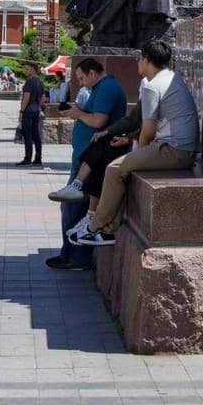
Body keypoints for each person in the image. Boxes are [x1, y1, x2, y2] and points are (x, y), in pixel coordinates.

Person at [68, 38, 198, 246]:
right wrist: (129, 142)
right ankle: (106, 228)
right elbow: (141, 124)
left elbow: (148, 130)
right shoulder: (171, 78)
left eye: (139, 59)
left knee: (114, 169)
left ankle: (94, 228)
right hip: (182, 149)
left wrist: (136, 153)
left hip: (173, 150)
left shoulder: (152, 86)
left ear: (146, 60)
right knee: (123, 167)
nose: (137, 62)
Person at [45, 58, 128, 271]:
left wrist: (77, 113)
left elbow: (99, 121)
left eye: (82, 78)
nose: (81, 83)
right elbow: (93, 116)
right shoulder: (102, 87)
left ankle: (74, 257)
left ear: (92, 73)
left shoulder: (107, 87)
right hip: (86, 157)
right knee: (73, 206)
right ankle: (72, 254)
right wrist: (80, 110)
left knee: (73, 206)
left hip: (90, 159)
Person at [17, 62, 47, 166]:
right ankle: (38, 158)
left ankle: (27, 159)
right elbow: (43, 97)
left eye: (28, 69)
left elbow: (26, 97)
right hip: (36, 111)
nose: (26, 71)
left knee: (28, 135)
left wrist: (21, 111)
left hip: (28, 111)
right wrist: (38, 106)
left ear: (33, 69)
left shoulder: (29, 82)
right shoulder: (40, 82)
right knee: (36, 135)